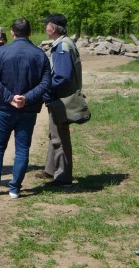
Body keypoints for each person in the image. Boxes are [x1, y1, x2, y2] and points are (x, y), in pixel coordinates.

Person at [0, 18, 51, 199]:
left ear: (12, 32)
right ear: (30, 32)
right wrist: (26, 99)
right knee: (22, 149)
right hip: (27, 110)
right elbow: (46, 83)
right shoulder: (39, 54)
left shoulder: (1, 52)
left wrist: (9, 97)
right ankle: (14, 189)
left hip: (4, 108)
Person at [35, 13, 81, 186]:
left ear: (53, 28)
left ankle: (63, 177)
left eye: (46, 24)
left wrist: (44, 88)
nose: (45, 27)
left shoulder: (62, 46)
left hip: (61, 100)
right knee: (54, 133)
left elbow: (62, 77)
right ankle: (51, 169)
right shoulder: (65, 42)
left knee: (60, 137)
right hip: (60, 99)